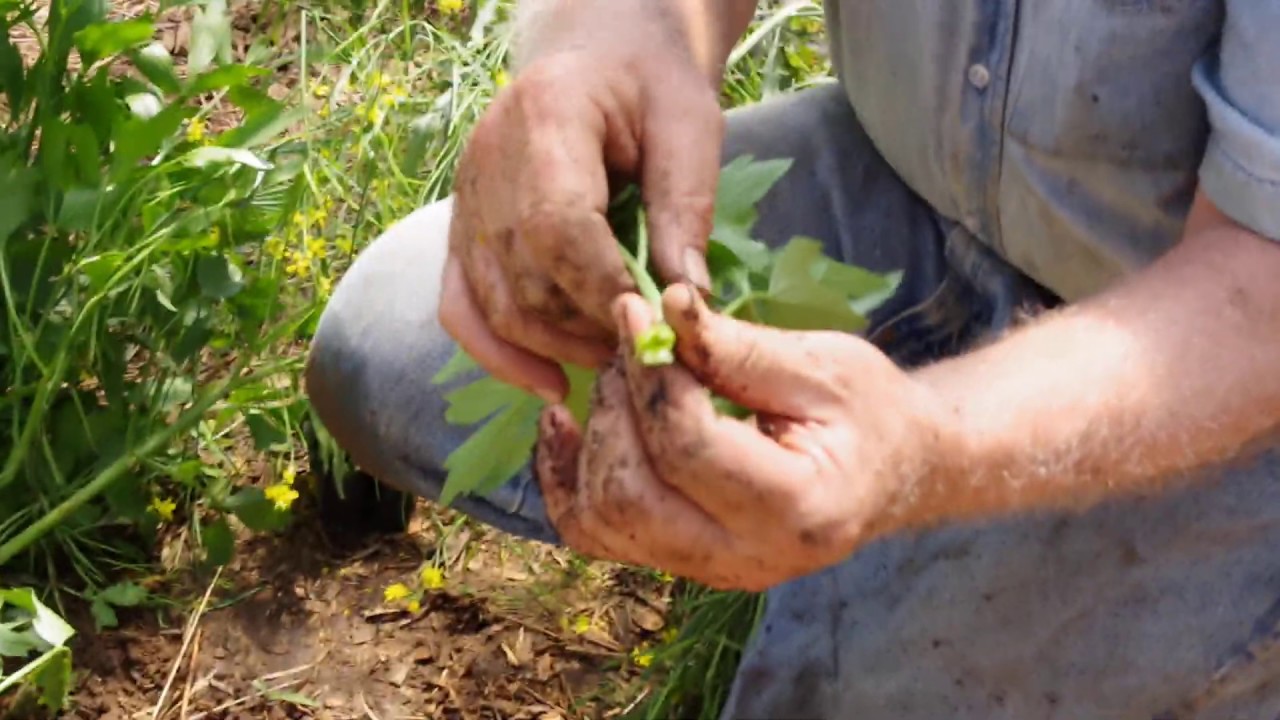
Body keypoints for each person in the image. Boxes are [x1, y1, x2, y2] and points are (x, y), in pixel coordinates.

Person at [304, 0, 1280, 716]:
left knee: (836, 695)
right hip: (913, 191)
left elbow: (1261, 290)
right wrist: (610, 43)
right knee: (388, 349)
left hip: (1219, 349)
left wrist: (922, 450)